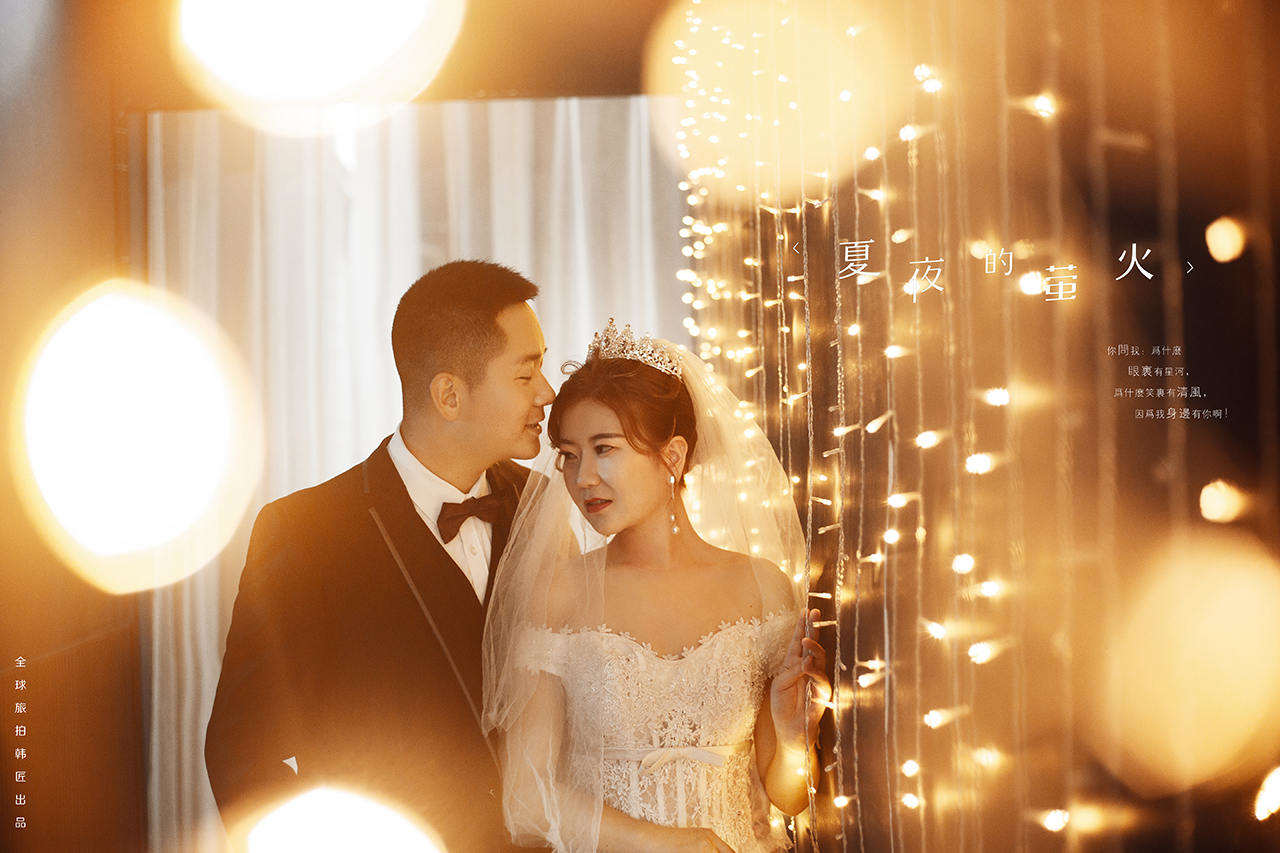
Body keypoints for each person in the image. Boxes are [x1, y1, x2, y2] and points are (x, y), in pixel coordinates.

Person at [204, 260, 556, 852]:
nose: (547, 393)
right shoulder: (305, 534)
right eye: (526, 374)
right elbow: (242, 751)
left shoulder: (547, 508)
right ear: (449, 395)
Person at [482, 320, 830, 852]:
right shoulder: (560, 594)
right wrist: (667, 842)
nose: (582, 477)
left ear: (672, 455)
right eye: (569, 455)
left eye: (604, 448)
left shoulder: (761, 587)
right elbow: (527, 797)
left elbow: (788, 796)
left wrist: (794, 737)